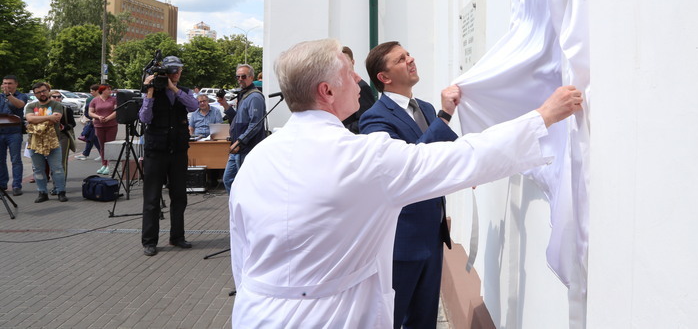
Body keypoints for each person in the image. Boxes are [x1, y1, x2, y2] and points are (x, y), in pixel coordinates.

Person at [228, 39, 582, 328]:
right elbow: (464, 157)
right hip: (332, 316)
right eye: (351, 75)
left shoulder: (257, 159)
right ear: (327, 91)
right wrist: (543, 117)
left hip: (255, 312)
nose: (359, 82)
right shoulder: (362, 157)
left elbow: (242, 254)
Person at [359, 41, 458, 329]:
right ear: (384, 77)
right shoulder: (374, 118)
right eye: (401, 59)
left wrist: (470, 171)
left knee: (424, 319)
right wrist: (445, 116)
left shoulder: (425, 108)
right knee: (394, 317)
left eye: (409, 54)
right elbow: (403, 168)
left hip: (432, 233)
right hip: (402, 239)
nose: (411, 59)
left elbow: (445, 155)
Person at [139, 55, 198, 256]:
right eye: (171, 72)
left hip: (178, 150)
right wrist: (149, 92)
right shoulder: (152, 92)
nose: (175, 75)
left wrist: (174, 89)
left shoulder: (184, 91)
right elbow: (145, 118)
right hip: (156, 151)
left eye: (177, 71)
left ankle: (177, 236)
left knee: (179, 196)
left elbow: (193, 106)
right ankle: (149, 241)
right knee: (152, 198)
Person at [217, 64, 266, 193]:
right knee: (228, 180)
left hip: (246, 148)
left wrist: (240, 141)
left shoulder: (255, 97)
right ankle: (236, 209)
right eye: (237, 77)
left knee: (245, 184)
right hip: (237, 148)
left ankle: (246, 210)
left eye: (243, 76)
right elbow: (236, 119)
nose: (240, 79)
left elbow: (255, 124)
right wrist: (225, 105)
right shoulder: (244, 95)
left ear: (251, 77)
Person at [24, 82, 68, 203]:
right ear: (34, 94)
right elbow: (30, 119)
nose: (42, 94)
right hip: (34, 142)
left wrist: (36, 120)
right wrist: (48, 118)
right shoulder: (31, 106)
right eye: (38, 92)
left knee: (57, 168)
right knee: (38, 169)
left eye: (43, 91)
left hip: (53, 142)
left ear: (48, 90)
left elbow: (56, 118)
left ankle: (61, 191)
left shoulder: (56, 104)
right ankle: (42, 192)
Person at [0, 75, 29, 196]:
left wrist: (8, 95)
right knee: (0, 160)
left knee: (15, 160)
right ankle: (2, 184)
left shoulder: (21, 96)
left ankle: (17, 185)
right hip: (0, 132)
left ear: (16, 84)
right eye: (5, 83)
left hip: (14, 133)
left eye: (10, 83)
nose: (7, 86)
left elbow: (19, 105)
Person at [341, 46, 375, 134]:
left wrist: (340, 130)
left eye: (345, 61)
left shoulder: (361, 87)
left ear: (353, 62)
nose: (342, 65)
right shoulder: (337, 87)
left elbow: (366, 120)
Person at [48, 90, 76, 194]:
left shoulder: (66, 109)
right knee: (52, 162)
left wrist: (64, 127)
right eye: (54, 97)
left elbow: (72, 124)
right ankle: (55, 185)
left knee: (61, 162)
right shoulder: (47, 110)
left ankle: (60, 186)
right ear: (49, 98)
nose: (57, 99)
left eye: (59, 97)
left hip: (63, 137)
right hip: (49, 137)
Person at [89, 85, 117, 175]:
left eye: (110, 89)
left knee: (110, 145)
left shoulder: (113, 99)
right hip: (99, 125)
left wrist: (108, 118)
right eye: (108, 89)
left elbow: (116, 111)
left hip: (111, 125)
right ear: (102, 91)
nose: (110, 91)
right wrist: (98, 117)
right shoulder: (95, 100)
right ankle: (104, 164)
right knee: (102, 145)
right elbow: (90, 112)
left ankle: (109, 165)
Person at [76, 84, 101, 160]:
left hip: (98, 122)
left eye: (92, 91)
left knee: (93, 137)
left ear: (97, 91)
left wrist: (95, 117)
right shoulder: (90, 99)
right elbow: (87, 110)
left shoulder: (101, 99)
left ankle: (102, 154)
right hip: (91, 121)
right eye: (90, 91)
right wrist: (90, 117)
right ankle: (86, 154)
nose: (91, 92)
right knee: (90, 137)